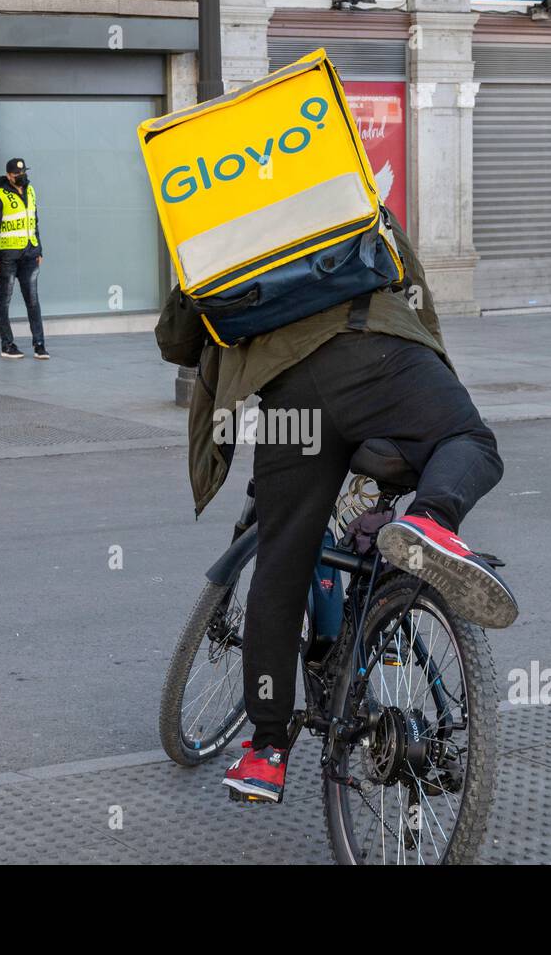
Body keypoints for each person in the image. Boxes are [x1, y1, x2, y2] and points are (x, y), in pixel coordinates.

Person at [154, 212, 518, 804]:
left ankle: (267, 750)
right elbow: (411, 280)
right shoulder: (343, 185)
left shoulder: (220, 212)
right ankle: (430, 519)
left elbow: (177, 340)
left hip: (291, 392)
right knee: (468, 442)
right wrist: (426, 368)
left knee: (283, 560)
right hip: (385, 359)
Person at [0, 157, 48, 360]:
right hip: (7, 257)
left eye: (23, 172)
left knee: (33, 301)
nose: (22, 176)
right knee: (5, 300)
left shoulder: (30, 190)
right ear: (9, 175)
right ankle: (7, 344)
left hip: (29, 254)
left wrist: (39, 250)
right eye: (17, 174)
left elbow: (33, 221)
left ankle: (39, 345)